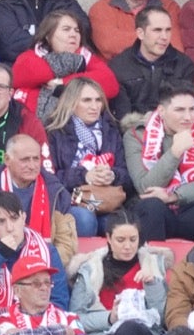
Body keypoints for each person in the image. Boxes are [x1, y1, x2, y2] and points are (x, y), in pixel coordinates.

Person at [123, 84, 194, 242]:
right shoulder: (136, 135)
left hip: (190, 206)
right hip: (155, 211)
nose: (188, 117)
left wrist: (174, 195)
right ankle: (153, 263)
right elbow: (145, 187)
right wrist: (175, 152)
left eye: (192, 109)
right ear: (162, 111)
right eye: (179, 110)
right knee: (151, 206)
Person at [68, 213, 165, 335]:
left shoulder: (152, 264)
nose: (128, 246)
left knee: (129, 327)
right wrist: (110, 318)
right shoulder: (91, 269)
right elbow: (76, 318)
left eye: (133, 239)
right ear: (108, 238)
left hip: (145, 333)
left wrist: (152, 284)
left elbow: (161, 318)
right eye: (121, 240)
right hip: (103, 334)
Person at [43, 78, 132, 239]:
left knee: (119, 224)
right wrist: (84, 176)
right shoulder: (54, 132)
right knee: (85, 219)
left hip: (106, 198)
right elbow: (48, 177)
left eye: (98, 100)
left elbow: (127, 174)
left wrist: (112, 175)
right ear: (71, 103)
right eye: (86, 100)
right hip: (69, 198)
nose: (94, 106)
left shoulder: (111, 130)